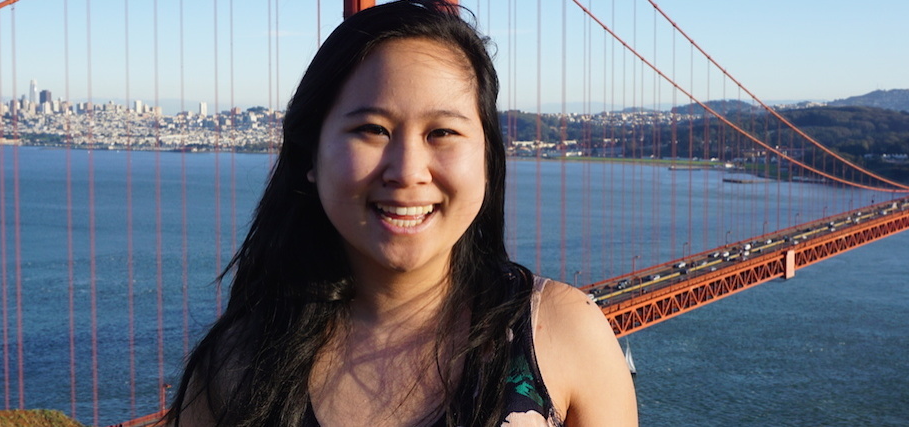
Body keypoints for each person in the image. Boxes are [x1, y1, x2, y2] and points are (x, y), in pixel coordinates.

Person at [167, 1, 636, 425]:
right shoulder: (235, 366)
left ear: (489, 161)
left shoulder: (565, 333)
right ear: (310, 156)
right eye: (372, 129)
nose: (408, 172)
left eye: (443, 133)